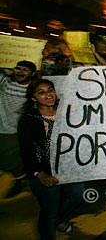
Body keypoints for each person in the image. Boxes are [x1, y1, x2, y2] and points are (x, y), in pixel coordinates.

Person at [17, 79, 85, 239]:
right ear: (33, 98)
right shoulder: (28, 120)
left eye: (50, 90)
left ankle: (60, 219)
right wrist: (39, 174)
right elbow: (26, 151)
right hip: (45, 172)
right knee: (50, 211)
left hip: (69, 168)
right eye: (41, 93)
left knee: (78, 196)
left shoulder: (66, 111)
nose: (48, 95)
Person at [0, 60, 37, 197]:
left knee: (9, 160)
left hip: (13, 131)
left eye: (25, 70)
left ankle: (21, 180)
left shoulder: (33, 90)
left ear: (33, 73)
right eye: (18, 68)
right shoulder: (5, 83)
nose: (21, 72)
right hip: (2, 128)